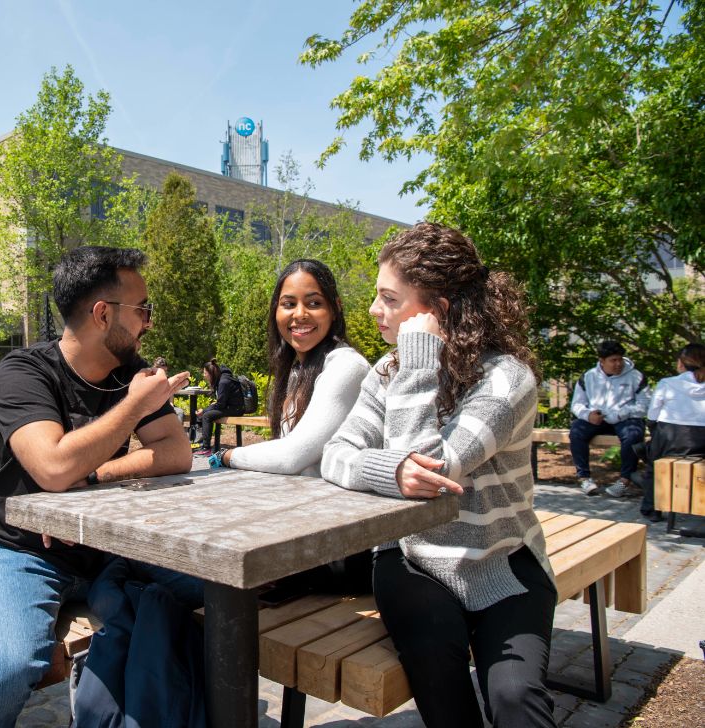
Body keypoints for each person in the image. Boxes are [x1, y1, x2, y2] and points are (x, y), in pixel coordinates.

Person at [321, 222, 557, 728]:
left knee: (515, 699)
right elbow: (336, 454)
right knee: (440, 683)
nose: (372, 310)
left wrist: (419, 363)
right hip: (412, 561)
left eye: (388, 298)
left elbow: (435, 472)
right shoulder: (387, 372)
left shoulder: (506, 379)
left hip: (503, 561)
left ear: (438, 310)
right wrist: (391, 470)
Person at [0, 246, 191, 728]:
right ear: (103, 314)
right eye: (142, 308)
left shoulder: (131, 372)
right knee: (5, 669)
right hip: (16, 551)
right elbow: (54, 467)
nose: (148, 321)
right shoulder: (23, 371)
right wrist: (133, 409)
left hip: (110, 549)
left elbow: (175, 453)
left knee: (234, 588)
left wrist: (96, 477)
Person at [212, 259, 369, 475]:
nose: (300, 314)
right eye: (289, 304)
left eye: (314, 303)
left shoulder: (346, 366)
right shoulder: (296, 372)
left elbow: (291, 456)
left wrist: (226, 455)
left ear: (335, 309)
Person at [569, 340, 649, 497]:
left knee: (633, 435)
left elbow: (645, 405)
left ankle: (624, 482)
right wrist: (588, 415)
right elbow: (577, 404)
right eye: (613, 360)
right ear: (602, 361)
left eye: (620, 359)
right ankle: (585, 479)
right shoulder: (588, 376)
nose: (618, 364)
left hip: (626, 418)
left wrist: (621, 414)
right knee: (576, 431)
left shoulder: (636, 376)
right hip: (598, 418)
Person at [637, 343, 705, 522]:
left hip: (671, 436)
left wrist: (654, 430)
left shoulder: (667, 383)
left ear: (681, 364)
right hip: (702, 442)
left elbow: (652, 414)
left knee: (654, 464)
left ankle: (652, 508)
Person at [190, 358, 244, 455]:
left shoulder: (223, 381)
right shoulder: (221, 378)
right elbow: (221, 402)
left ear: (211, 373)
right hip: (229, 406)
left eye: (205, 373)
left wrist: (205, 410)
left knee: (207, 415)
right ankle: (200, 443)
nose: (204, 375)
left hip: (236, 409)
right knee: (205, 413)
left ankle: (206, 448)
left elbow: (220, 405)